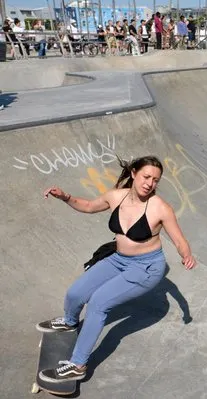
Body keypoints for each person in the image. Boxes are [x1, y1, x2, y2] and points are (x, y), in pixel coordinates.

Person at [36, 156, 196, 383]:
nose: (150, 183)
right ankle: (70, 321)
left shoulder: (160, 208)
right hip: (117, 259)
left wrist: (186, 255)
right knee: (76, 293)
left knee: (99, 303)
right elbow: (89, 206)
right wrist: (66, 197)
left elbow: (180, 240)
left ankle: (77, 365)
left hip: (146, 268)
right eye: (146, 176)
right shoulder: (116, 197)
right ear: (133, 173)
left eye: (155, 180)